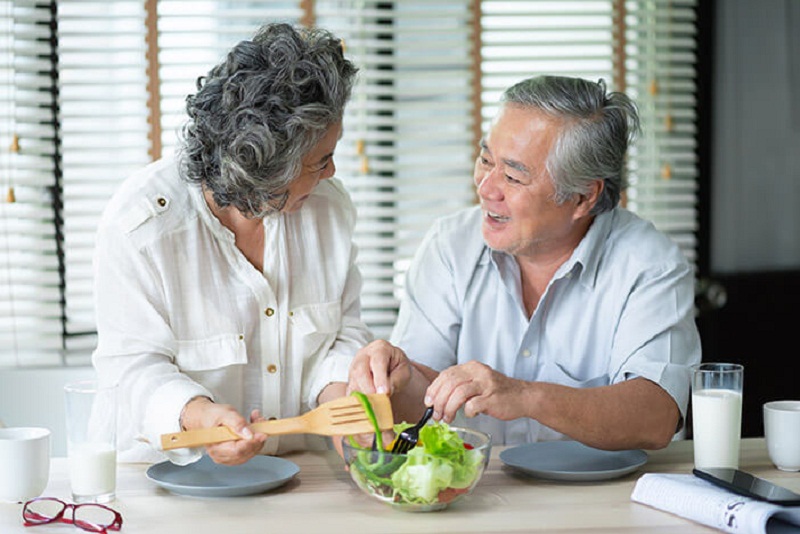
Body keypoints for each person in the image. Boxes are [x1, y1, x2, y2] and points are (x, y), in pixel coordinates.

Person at [348, 75, 702, 451]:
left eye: (514, 176)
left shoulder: (650, 265)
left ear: (583, 196)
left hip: (607, 500)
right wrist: (394, 377)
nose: (486, 188)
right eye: (486, 160)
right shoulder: (450, 246)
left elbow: (656, 417)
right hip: (480, 495)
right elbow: (420, 404)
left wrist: (525, 396)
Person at [92, 22, 370, 466]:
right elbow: (130, 369)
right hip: (160, 484)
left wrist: (342, 409)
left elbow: (343, 335)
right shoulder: (141, 225)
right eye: (321, 161)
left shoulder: (329, 210)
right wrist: (198, 416)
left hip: (302, 478)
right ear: (269, 168)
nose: (332, 174)